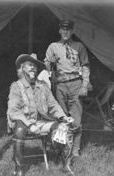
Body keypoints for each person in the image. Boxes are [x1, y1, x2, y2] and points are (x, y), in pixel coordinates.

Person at [7, 53, 74, 176]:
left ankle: (65, 164)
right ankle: (19, 171)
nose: (33, 68)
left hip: (42, 121)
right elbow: (13, 111)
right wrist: (30, 125)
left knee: (64, 128)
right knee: (19, 130)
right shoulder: (16, 86)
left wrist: (63, 117)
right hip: (24, 123)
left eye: (35, 67)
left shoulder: (43, 85)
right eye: (30, 65)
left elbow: (53, 105)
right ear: (22, 68)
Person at [44, 20, 91, 157]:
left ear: (72, 31)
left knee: (76, 119)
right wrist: (49, 64)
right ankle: (62, 148)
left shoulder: (79, 46)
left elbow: (85, 66)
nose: (65, 32)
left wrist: (84, 85)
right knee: (61, 118)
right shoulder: (53, 46)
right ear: (59, 30)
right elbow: (46, 65)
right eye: (63, 29)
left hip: (76, 84)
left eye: (68, 29)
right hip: (60, 85)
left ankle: (75, 150)